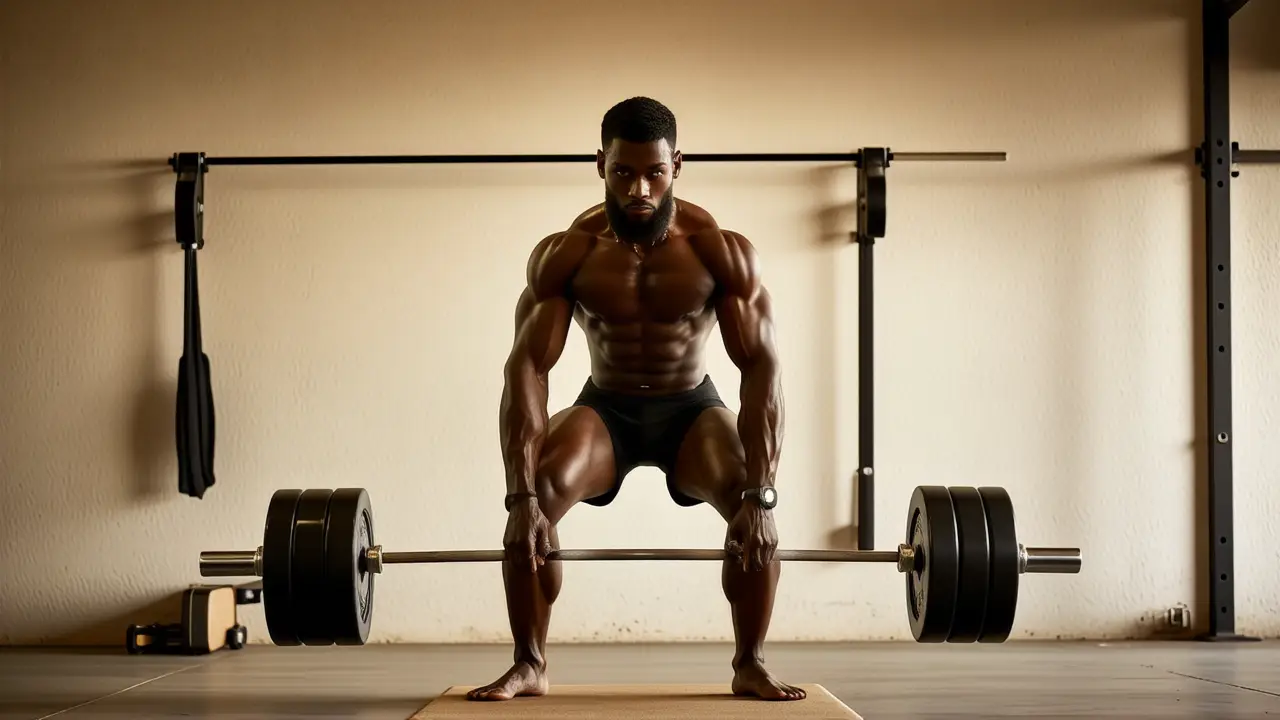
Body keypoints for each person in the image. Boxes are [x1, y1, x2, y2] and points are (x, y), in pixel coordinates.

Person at [468, 96, 804, 702]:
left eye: (654, 172)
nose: (640, 189)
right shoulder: (567, 254)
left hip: (690, 411)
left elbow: (761, 366)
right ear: (601, 164)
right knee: (539, 494)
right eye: (624, 172)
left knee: (746, 503)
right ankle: (530, 663)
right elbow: (527, 368)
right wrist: (518, 496)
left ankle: (750, 662)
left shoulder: (719, 252)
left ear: (678, 164)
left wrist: (764, 493)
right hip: (607, 408)